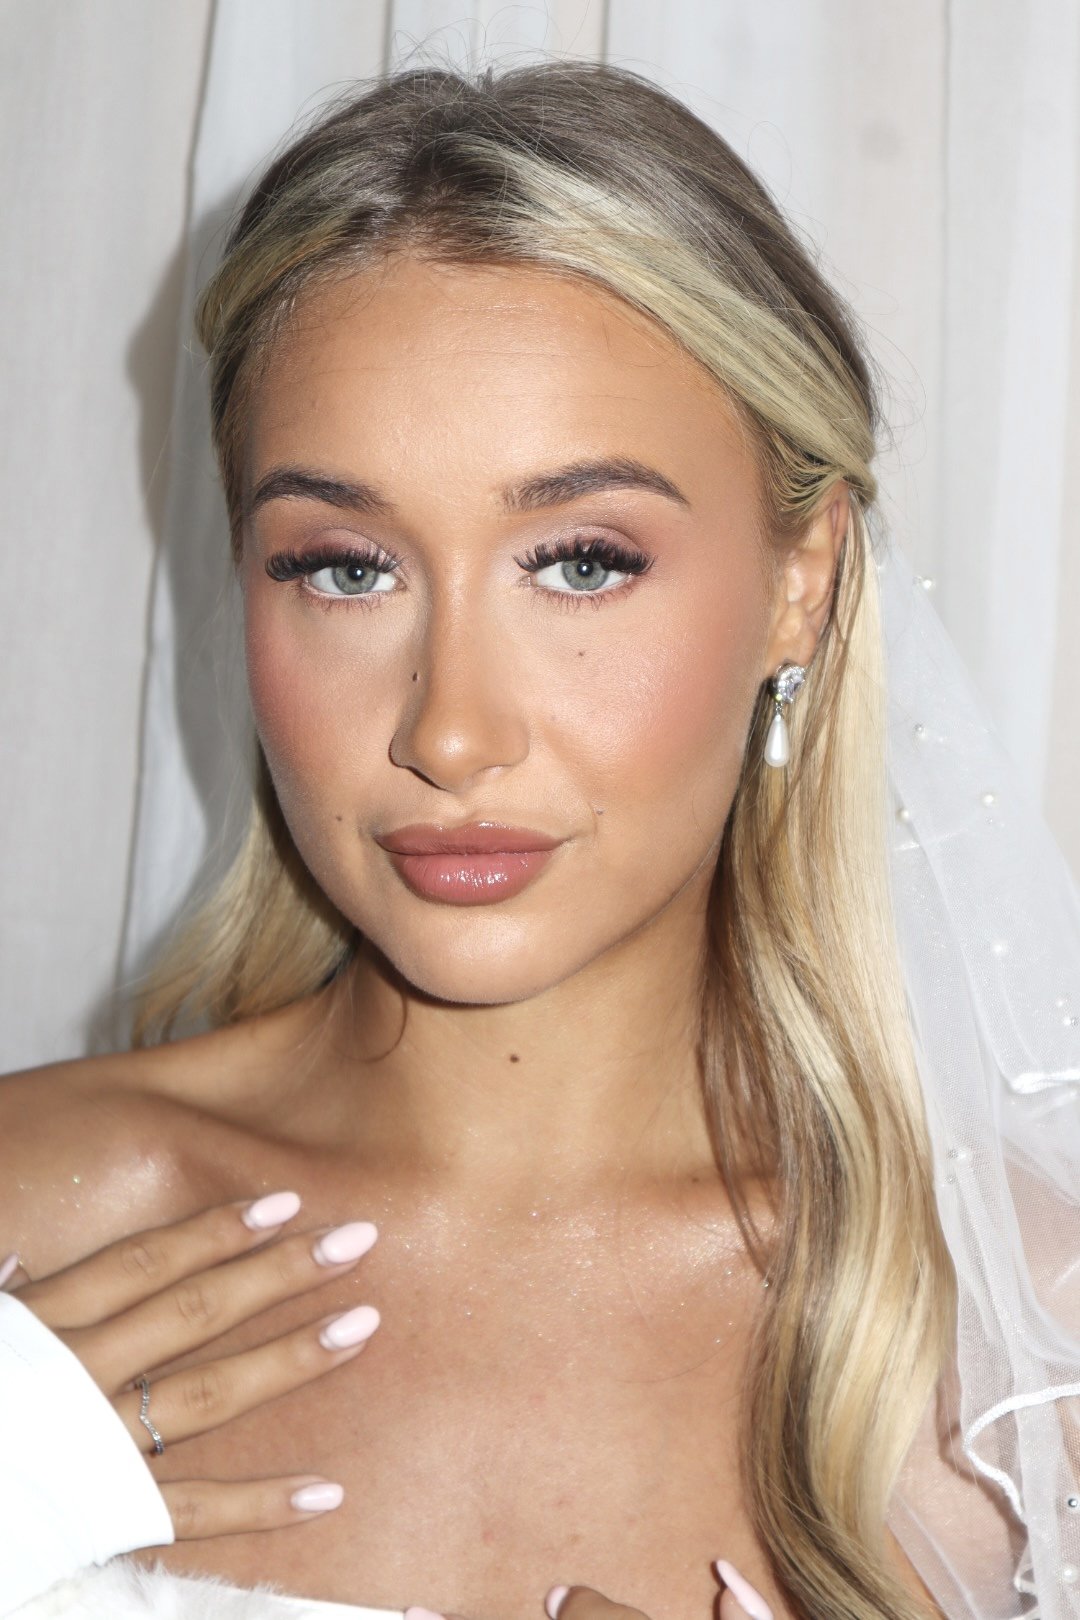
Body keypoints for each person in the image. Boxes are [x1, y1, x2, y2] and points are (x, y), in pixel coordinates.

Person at [1, 59, 1077, 1620]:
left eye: (579, 563)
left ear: (804, 577)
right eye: (344, 568)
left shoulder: (1023, 1353)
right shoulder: (25, 1223)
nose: (450, 732)